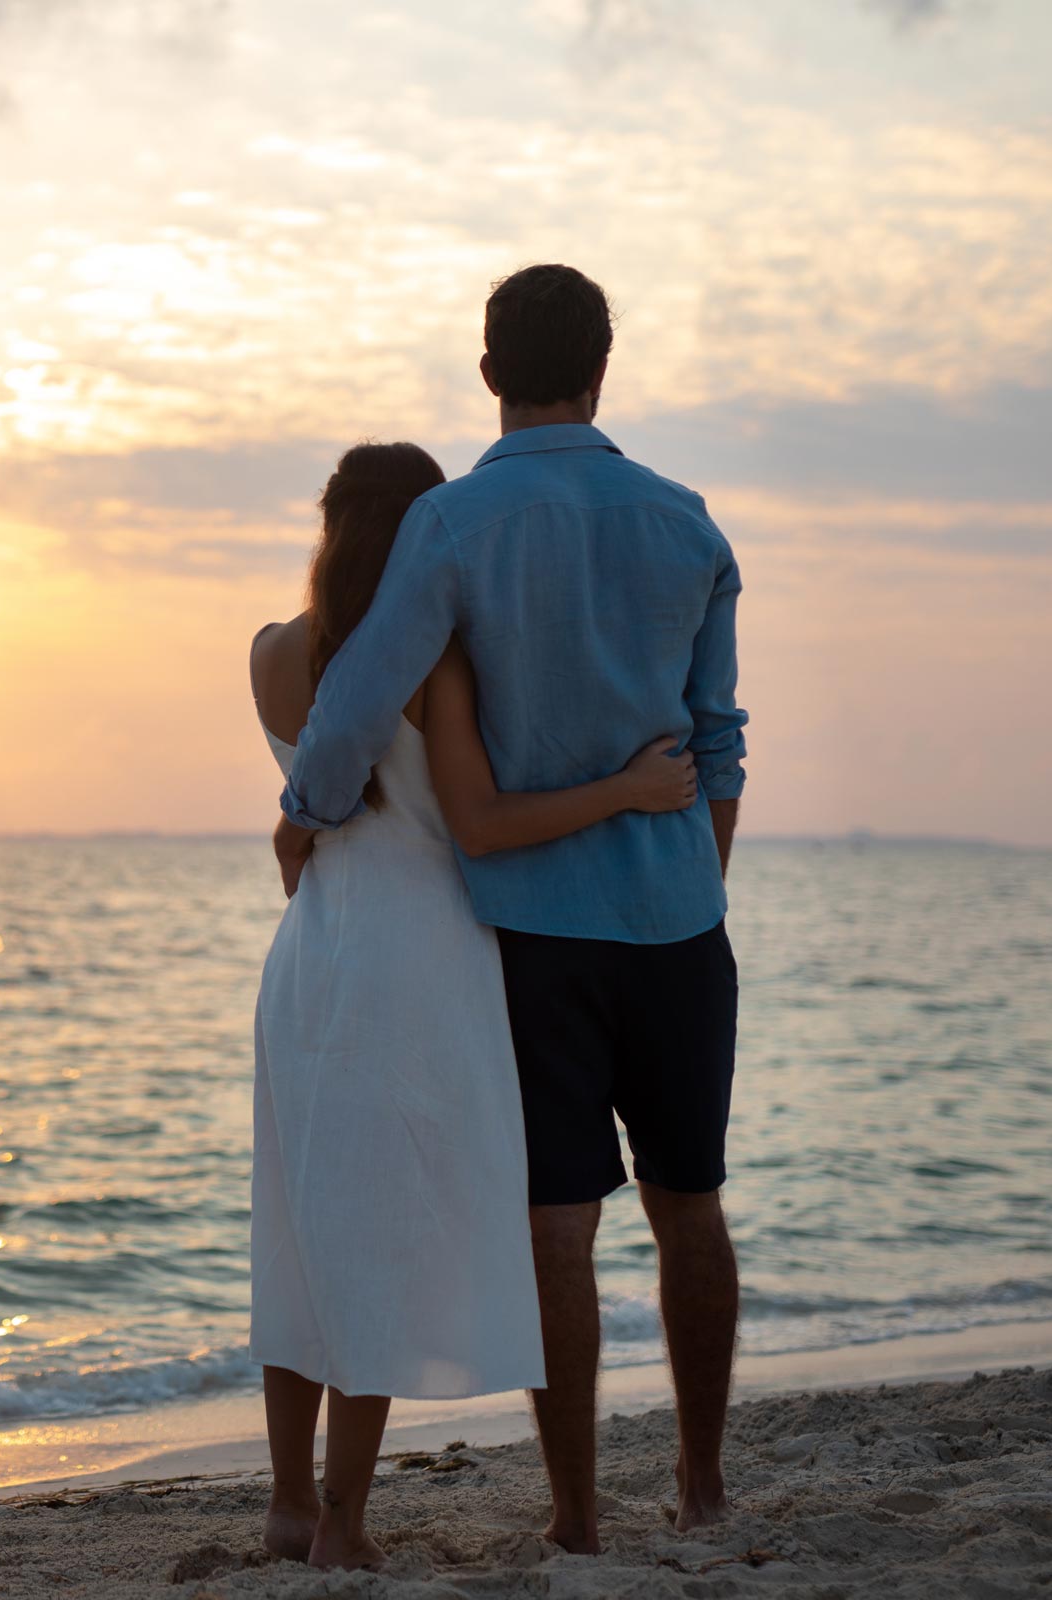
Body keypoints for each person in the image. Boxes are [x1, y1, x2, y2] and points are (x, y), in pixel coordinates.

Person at [271, 264, 749, 1555]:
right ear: (606, 366)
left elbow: (360, 698)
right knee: (691, 1205)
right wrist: (693, 879)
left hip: (535, 937)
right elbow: (720, 744)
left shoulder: (455, 526)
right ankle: (702, 1488)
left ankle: (579, 1516)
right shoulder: (690, 524)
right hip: (680, 924)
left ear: (490, 376)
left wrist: (305, 813)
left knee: (560, 1229)